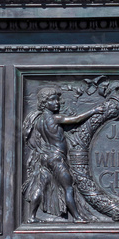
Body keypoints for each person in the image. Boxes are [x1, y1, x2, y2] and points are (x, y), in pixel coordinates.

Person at [23, 87, 102, 222]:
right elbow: (76, 119)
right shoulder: (55, 118)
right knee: (68, 187)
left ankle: (31, 217)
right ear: (44, 103)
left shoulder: (37, 120)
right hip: (56, 158)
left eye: (57, 99)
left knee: (40, 186)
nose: (57, 103)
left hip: (45, 157)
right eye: (52, 100)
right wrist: (94, 110)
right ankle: (77, 217)